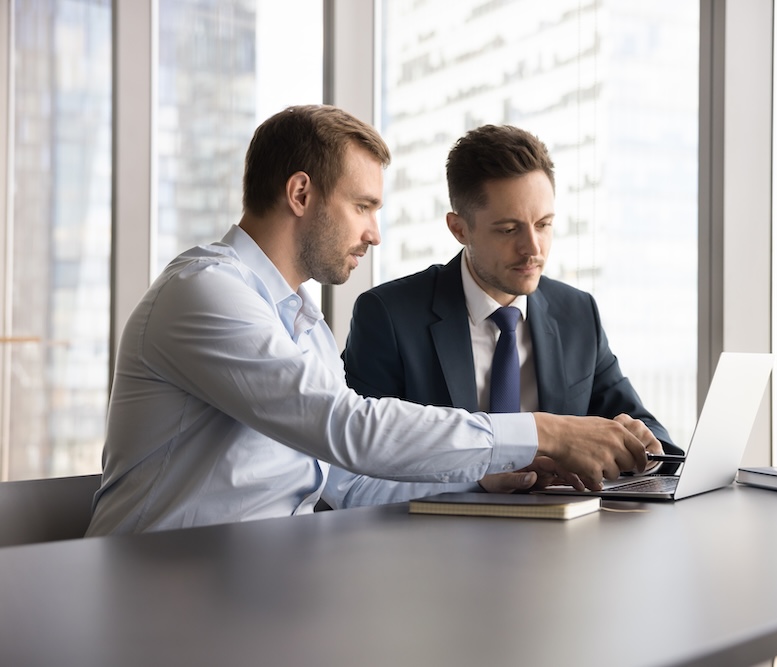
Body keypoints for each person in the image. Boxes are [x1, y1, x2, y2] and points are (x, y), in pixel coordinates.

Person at [86, 106, 652, 536]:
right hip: (160, 590)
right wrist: (540, 432)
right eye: (363, 207)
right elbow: (350, 429)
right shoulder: (204, 292)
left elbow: (348, 478)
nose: (374, 233)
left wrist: (485, 478)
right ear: (301, 193)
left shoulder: (300, 322)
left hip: (263, 584)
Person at [332, 124, 682, 508]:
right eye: (509, 229)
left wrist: (643, 447)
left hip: (561, 546)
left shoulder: (577, 313)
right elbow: (356, 470)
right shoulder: (389, 316)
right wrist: (477, 478)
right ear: (459, 228)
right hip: (435, 544)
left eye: (544, 224)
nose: (532, 248)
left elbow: (648, 431)